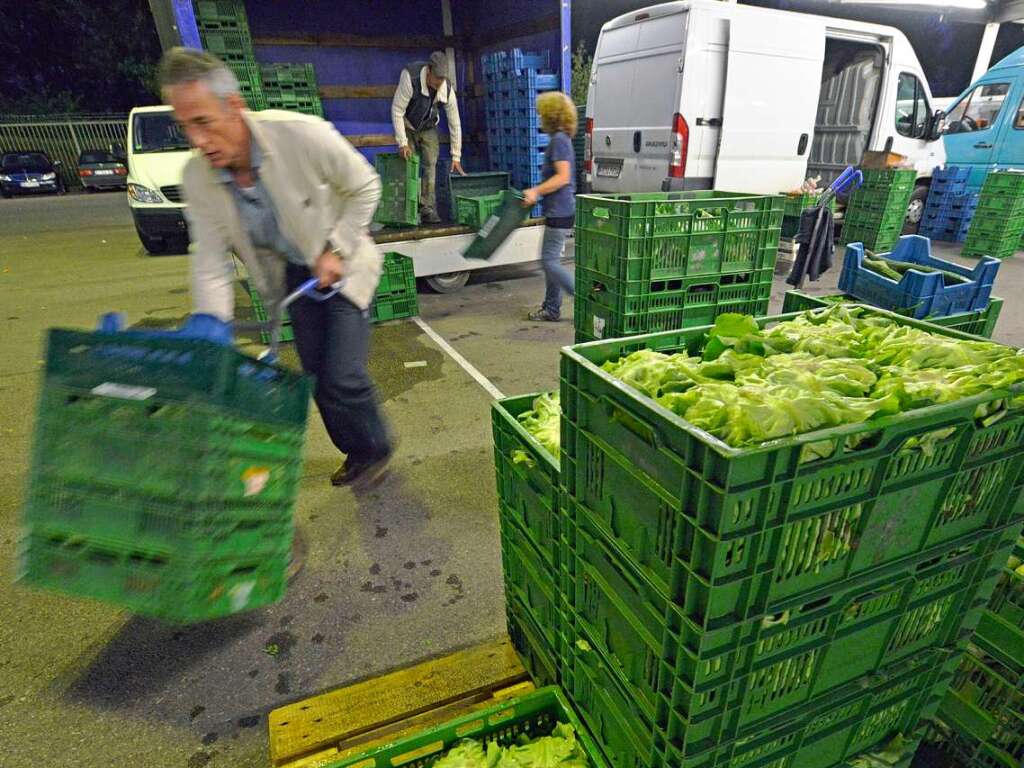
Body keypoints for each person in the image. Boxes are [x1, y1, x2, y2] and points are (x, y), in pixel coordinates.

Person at [158, 48, 393, 491]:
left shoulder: (298, 135)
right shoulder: (198, 178)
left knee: (343, 375)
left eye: (203, 122)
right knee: (316, 379)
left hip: (340, 265)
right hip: (291, 278)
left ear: (234, 107)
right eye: (185, 125)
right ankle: (357, 450)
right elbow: (209, 258)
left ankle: (377, 446)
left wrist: (335, 249)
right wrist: (212, 327)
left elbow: (365, 185)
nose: (196, 139)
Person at [391, 51, 465, 225]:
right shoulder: (410, 77)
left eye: (442, 79)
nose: (439, 83)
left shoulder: (446, 89)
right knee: (408, 164)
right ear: (429, 70)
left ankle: (427, 209)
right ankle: (404, 211)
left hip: (428, 127)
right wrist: (402, 143)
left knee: (430, 164)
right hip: (408, 125)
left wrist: (456, 155)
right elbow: (397, 110)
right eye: (437, 78)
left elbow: (455, 122)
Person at [522, 91, 577, 322]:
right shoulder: (561, 139)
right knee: (550, 260)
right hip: (559, 210)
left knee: (549, 261)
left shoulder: (558, 141)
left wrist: (536, 191)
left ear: (551, 115)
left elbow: (563, 177)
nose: (539, 118)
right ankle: (552, 308)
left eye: (542, 114)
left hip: (560, 211)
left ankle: (582, 297)